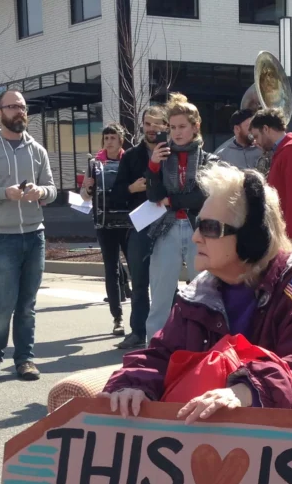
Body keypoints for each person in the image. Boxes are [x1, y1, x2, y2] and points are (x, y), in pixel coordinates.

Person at [105, 163, 292, 420]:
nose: (196, 237)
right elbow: (160, 355)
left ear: (252, 238)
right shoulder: (199, 294)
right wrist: (133, 384)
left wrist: (246, 391)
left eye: (210, 228)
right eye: (198, 224)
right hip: (213, 436)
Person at [0, 88, 57, 381]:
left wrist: (41, 192)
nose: (20, 112)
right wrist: (5, 193)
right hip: (1, 237)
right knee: (4, 303)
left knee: (27, 305)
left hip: (34, 235)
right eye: (13, 107)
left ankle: (24, 359)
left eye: (23, 107)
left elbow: (52, 189)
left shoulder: (37, 150)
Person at [143, 93, 215, 340]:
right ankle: (154, 349)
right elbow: (154, 196)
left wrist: (172, 200)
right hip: (167, 229)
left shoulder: (208, 158)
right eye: (172, 127)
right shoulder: (162, 157)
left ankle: (204, 346)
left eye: (182, 126)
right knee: (160, 297)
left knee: (204, 294)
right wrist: (153, 166)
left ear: (195, 127)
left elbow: (201, 196)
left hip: (199, 230)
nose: (176, 132)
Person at [111, 104, 169, 350]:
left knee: (167, 280)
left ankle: (170, 330)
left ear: (166, 126)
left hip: (170, 222)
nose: (152, 129)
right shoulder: (131, 156)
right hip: (141, 224)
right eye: (148, 124)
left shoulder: (173, 152)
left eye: (158, 124)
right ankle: (138, 331)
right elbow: (116, 194)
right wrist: (131, 188)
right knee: (139, 279)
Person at [83, 123, 132, 338]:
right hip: (104, 224)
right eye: (106, 138)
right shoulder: (94, 164)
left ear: (120, 140)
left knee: (136, 269)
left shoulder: (129, 161)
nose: (109, 141)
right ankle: (117, 318)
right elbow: (85, 196)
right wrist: (87, 187)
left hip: (128, 224)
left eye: (113, 138)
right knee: (111, 270)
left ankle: (139, 319)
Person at [250, 108, 292, 250]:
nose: (255, 142)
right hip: (289, 229)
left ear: (266, 129)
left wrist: (291, 235)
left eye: (256, 136)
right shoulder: (286, 149)